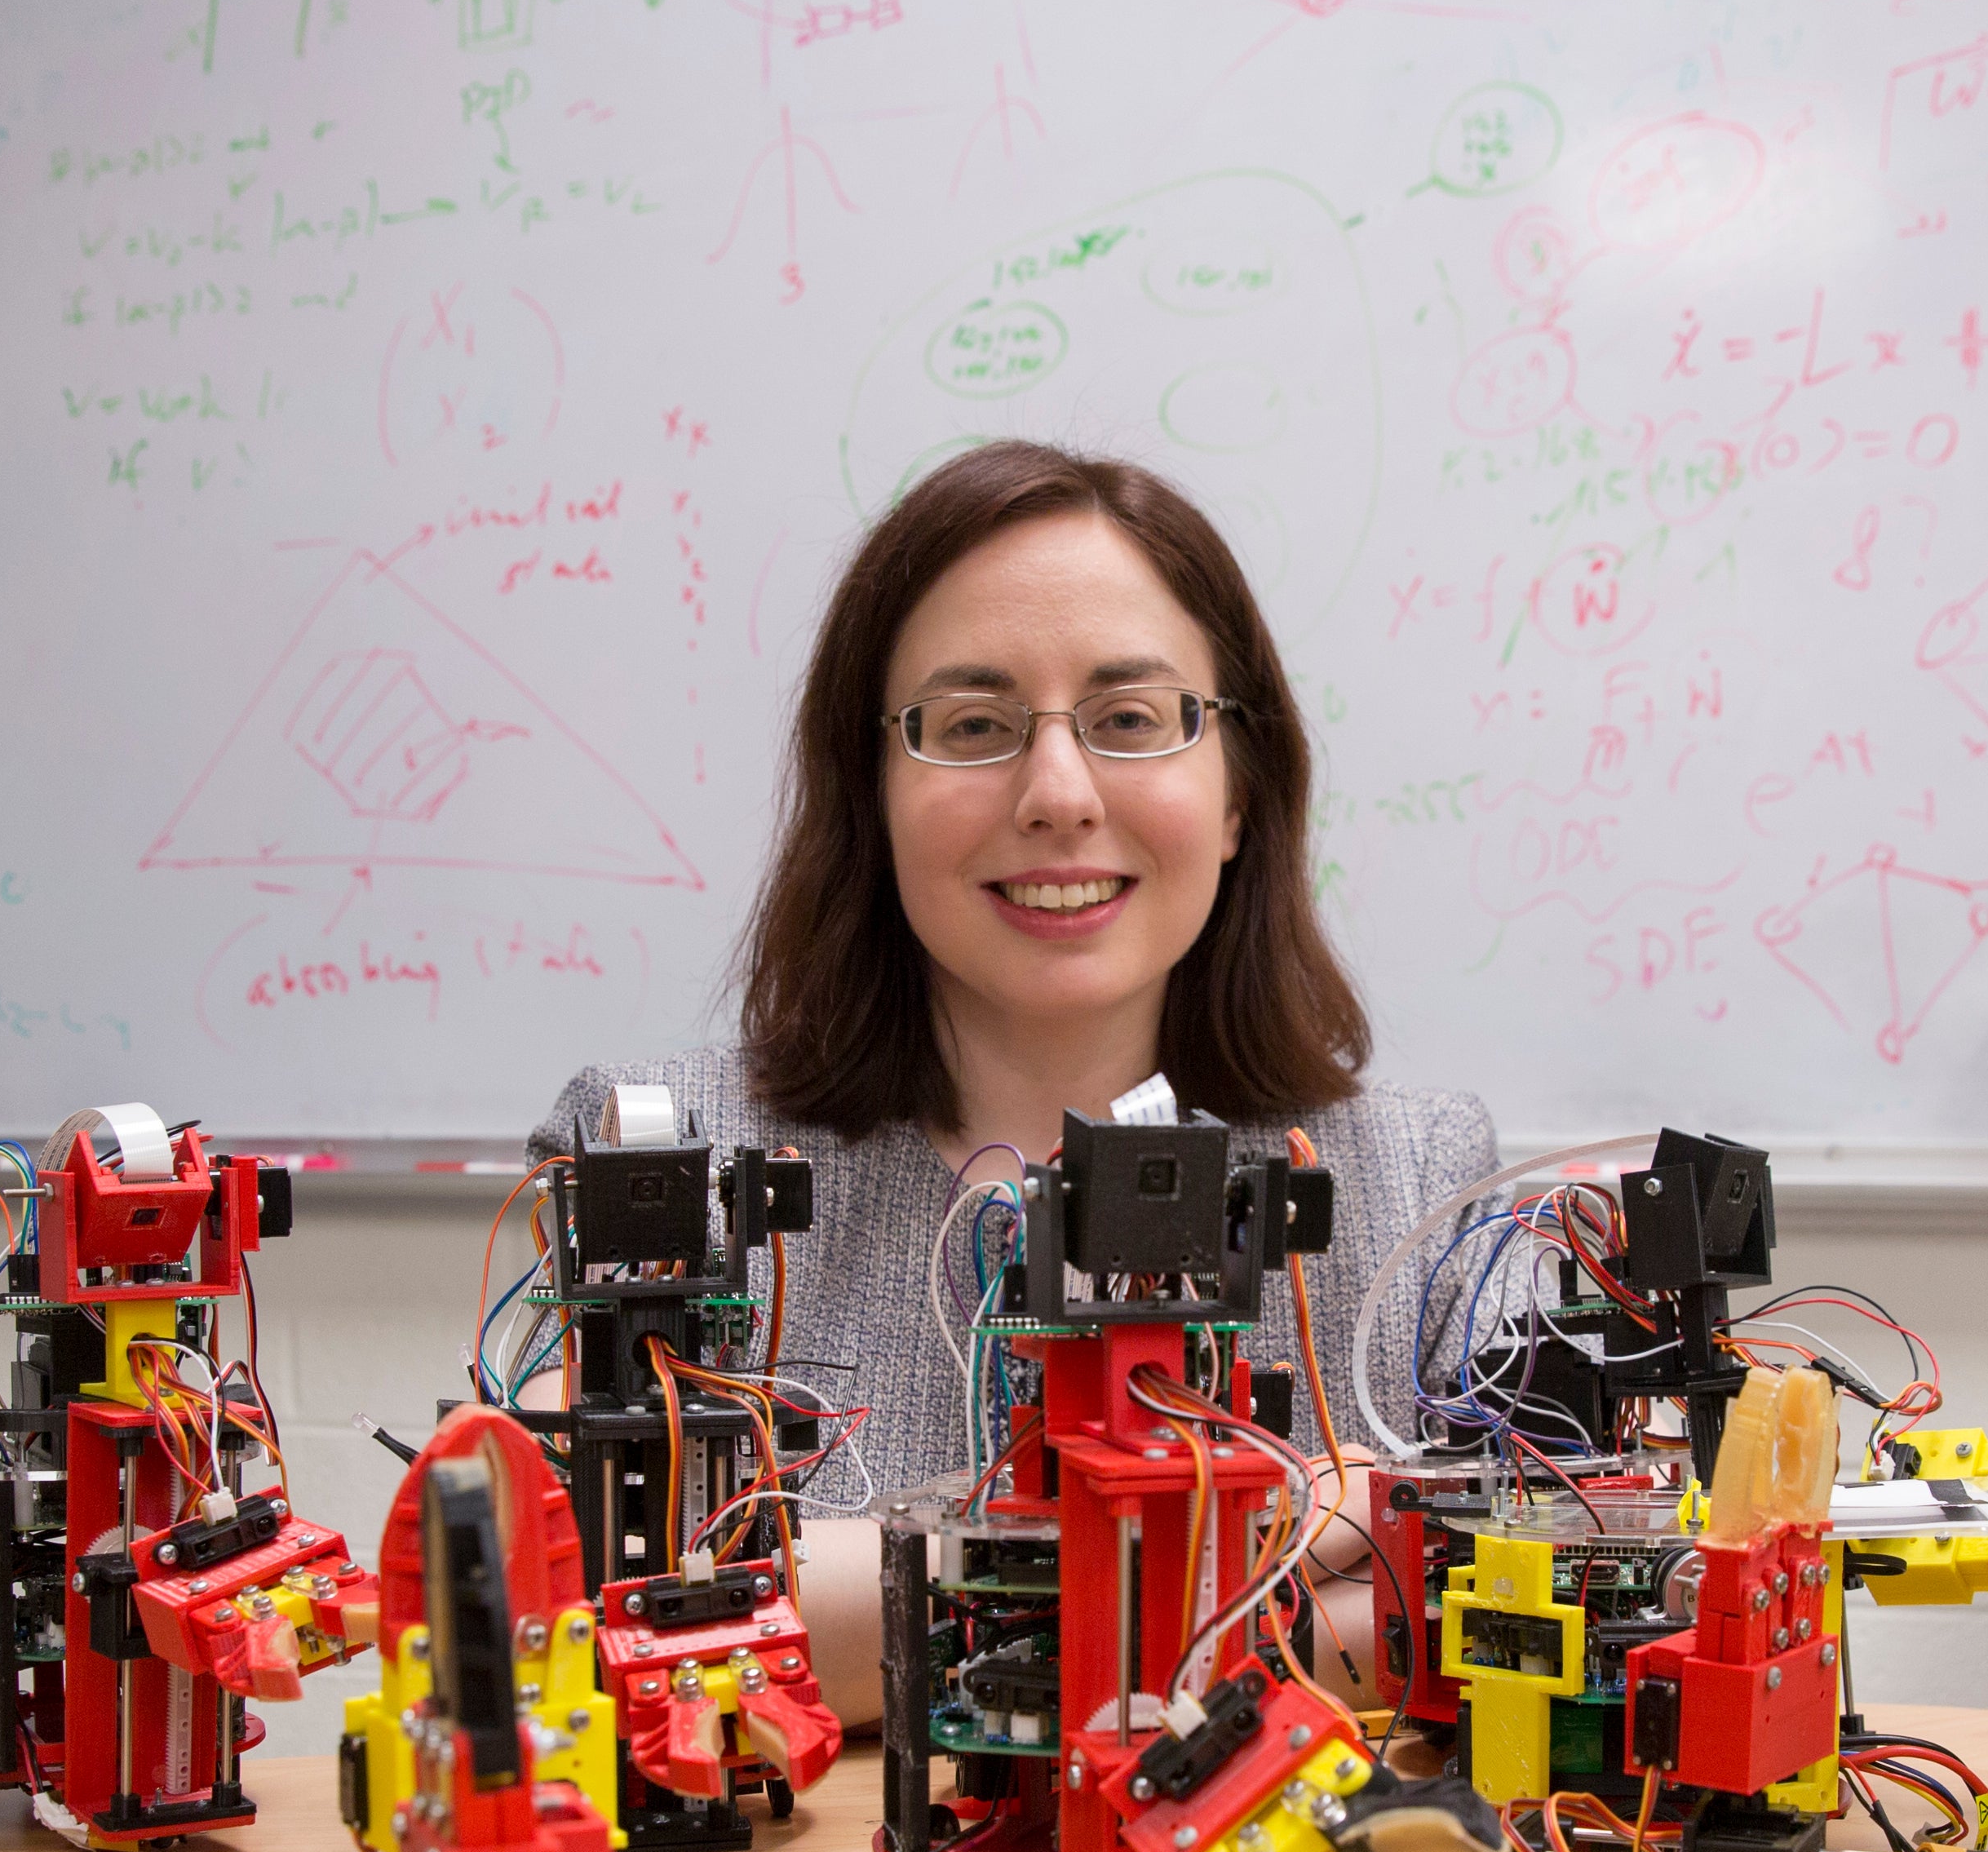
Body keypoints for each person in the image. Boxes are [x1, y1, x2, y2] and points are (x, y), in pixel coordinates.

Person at [530, 440, 1499, 1713]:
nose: (1057, 794)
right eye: (974, 726)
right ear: (870, 792)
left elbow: (1512, 1616)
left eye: (1133, 721)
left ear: (1239, 796)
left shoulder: (1418, 1187)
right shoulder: (663, 1156)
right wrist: (1268, 1535)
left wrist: (797, 1598)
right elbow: (562, 1603)